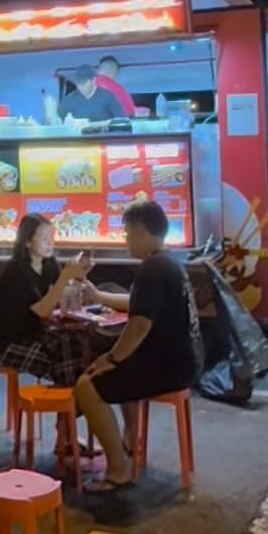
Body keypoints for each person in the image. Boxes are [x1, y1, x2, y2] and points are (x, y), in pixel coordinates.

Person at [73, 200, 203, 491]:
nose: (126, 239)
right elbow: (137, 304)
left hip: (168, 369)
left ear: (142, 231)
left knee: (86, 385)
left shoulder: (152, 269)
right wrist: (99, 297)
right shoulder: (168, 262)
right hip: (185, 362)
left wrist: (111, 358)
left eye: (128, 232)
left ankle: (117, 471)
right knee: (120, 369)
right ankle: (131, 440)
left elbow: (138, 327)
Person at [0, 213, 91, 389]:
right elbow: (42, 310)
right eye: (44, 238)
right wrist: (65, 277)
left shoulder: (49, 264)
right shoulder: (15, 272)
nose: (50, 242)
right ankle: (68, 401)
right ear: (27, 241)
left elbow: (61, 300)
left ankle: (69, 401)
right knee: (63, 358)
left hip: (36, 332)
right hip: (8, 343)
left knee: (73, 340)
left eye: (51, 237)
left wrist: (78, 278)